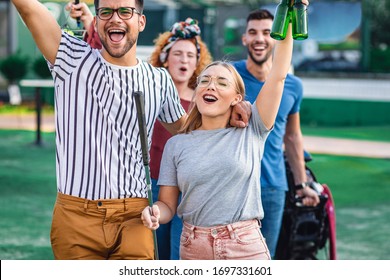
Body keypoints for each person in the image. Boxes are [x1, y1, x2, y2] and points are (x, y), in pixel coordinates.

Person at [11, 0, 249, 260]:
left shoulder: (158, 80)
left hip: (135, 217)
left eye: (125, 11)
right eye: (106, 12)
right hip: (76, 216)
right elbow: (29, 8)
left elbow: (190, 132)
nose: (115, 18)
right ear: (98, 20)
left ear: (141, 21)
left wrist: (229, 110)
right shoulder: (71, 58)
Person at [141, 12, 297, 259]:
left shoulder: (252, 129)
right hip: (192, 248)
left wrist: (289, 14)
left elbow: (278, 76)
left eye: (222, 82)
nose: (211, 86)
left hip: (244, 247)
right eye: (205, 81)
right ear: (197, 90)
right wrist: (156, 211)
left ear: (237, 98)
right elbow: (168, 205)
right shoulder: (177, 144)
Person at [232, 8, 319, 259]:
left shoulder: (293, 85)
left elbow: (292, 137)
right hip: (233, 183)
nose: (260, 38)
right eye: (253, 32)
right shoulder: (229, 76)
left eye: (267, 32)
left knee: (264, 258)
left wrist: (302, 185)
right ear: (245, 39)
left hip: (272, 187)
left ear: (277, 38)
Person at [148, 18, 212, 260]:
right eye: (177, 54)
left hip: (187, 190)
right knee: (153, 253)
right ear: (165, 57)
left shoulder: (204, 100)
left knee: (180, 255)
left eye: (190, 55)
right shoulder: (151, 91)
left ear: (197, 62)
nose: (184, 60)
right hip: (152, 185)